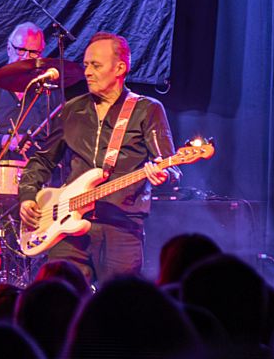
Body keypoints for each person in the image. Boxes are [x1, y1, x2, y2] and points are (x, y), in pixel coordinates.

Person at [14, 33, 175, 285]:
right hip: (66, 226)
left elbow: (169, 166)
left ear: (120, 68)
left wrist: (162, 175)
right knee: (58, 298)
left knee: (119, 307)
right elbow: (42, 160)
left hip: (121, 226)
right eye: (86, 65)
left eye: (96, 65)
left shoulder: (146, 109)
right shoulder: (72, 109)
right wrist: (26, 197)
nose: (87, 72)